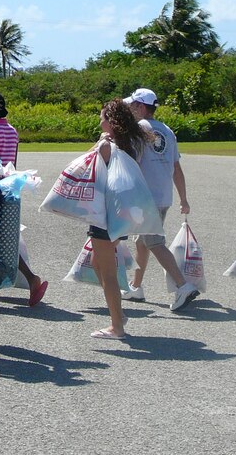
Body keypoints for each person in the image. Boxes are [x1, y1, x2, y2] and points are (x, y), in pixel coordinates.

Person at [122, 88, 200, 311]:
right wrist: (183, 198)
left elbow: (132, 163)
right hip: (163, 196)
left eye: (133, 106)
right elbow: (176, 167)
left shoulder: (139, 129)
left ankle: (182, 285)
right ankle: (136, 286)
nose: (130, 110)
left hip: (146, 197)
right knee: (142, 240)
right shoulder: (167, 130)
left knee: (154, 242)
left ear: (141, 107)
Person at [88, 99, 151, 340]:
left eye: (103, 117)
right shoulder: (130, 145)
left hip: (105, 213)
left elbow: (85, 167)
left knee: (108, 270)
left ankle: (117, 325)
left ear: (111, 122)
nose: (100, 120)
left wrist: (98, 145)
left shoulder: (107, 145)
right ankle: (118, 314)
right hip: (120, 212)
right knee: (96, 262)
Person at [0, 91, 48, 307]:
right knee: (6, 239)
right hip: (10, 188)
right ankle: (30, 279)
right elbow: (13, 163)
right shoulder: (12, 131)